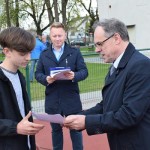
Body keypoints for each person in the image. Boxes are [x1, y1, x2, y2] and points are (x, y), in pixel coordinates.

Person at [64, 18, 150, 150]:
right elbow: (107, 105)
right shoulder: (117, 65)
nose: (97, 50)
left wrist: (87, 122)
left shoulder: (140, 65)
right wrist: (81, 116)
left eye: (99, 44)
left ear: (116, 38)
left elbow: (129, 115)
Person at [35, 22, 88, 150]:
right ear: (50, 37)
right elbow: (38, 73)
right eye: (54, 36)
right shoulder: (44, 54)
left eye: (60, 35)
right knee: (56, 132)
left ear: (65, 35)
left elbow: (84, 71)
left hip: (71, 100)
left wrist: (74, 75)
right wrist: (46, 79)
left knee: (75, 132)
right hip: (53, 100)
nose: (57, 39)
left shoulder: (75, 52)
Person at [0, 27, 44, 150]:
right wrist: (15, 128)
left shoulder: (20, 77)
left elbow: (22, 115)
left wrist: (31, 143)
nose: (28, 58)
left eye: (30, 52)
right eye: (23, 53)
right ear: (7, 51)